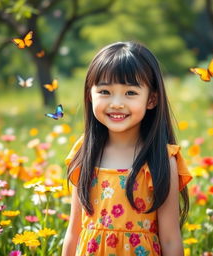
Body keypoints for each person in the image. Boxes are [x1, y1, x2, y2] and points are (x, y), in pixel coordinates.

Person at [62, 41, 192, 256]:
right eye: (105, 91)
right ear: (89, 95)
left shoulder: (161, 159)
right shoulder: (84, 152)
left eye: (130, 93)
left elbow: (170, 240)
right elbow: (73, 232)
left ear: (151, 99)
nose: (116, 103)